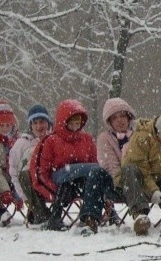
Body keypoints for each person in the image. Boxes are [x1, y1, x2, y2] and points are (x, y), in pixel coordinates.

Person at [29, 99, 114, 234]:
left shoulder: (86, 139)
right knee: (92, 169)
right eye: (72, 123)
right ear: (64, 122)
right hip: (59, 178)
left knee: (95, 174)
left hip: (78, 182)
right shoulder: (50, 140)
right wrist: (52, 192)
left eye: (78, 123)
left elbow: (94, 163)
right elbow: (40, 172)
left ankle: (90, 217)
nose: (75, 126)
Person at [118, 107, 161, 236]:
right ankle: (140, 216)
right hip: (133, 181)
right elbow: (141, 168)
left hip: (157, 180)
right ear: (159, 129)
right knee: (130, 169)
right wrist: (153, 190)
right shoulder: (142, 137)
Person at [9, 104, 53, 224]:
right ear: (30, 125)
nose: (39, 126)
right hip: (31, 188)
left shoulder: (54, 140)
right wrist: (25, 197)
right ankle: (40, 213)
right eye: (35, 123)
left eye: (42, 122)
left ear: (48, 123)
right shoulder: (21, 144)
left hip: (51, 183)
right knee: (25, 173)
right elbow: (14, 173)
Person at [96, 97, 136, 184]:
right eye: (114, 118)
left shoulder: (137, 135)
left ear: (128, 118)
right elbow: (111, 167)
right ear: (109, 122)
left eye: (122, 116)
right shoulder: (105, 139)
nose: (119, 120)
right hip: (117, 185)